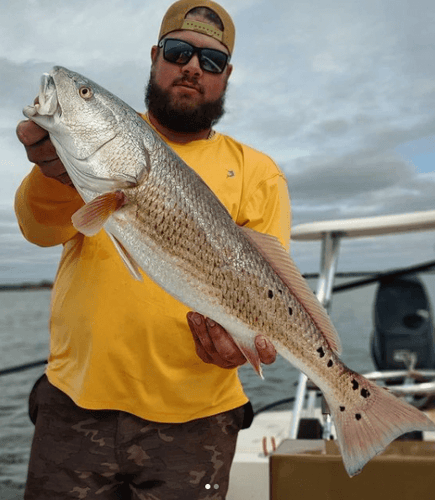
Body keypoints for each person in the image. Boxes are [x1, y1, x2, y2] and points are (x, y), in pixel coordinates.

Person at [15, 1, 291, 498]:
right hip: (74, 403)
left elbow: (269, 287)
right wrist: (51, 168)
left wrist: (243, 345)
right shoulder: (94, 151)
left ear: (226, 75)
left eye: (210, 61)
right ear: (154, 56)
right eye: (178, 50)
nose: (191, 67)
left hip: (197, 421)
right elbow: (37, 228)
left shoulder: (257, 171)